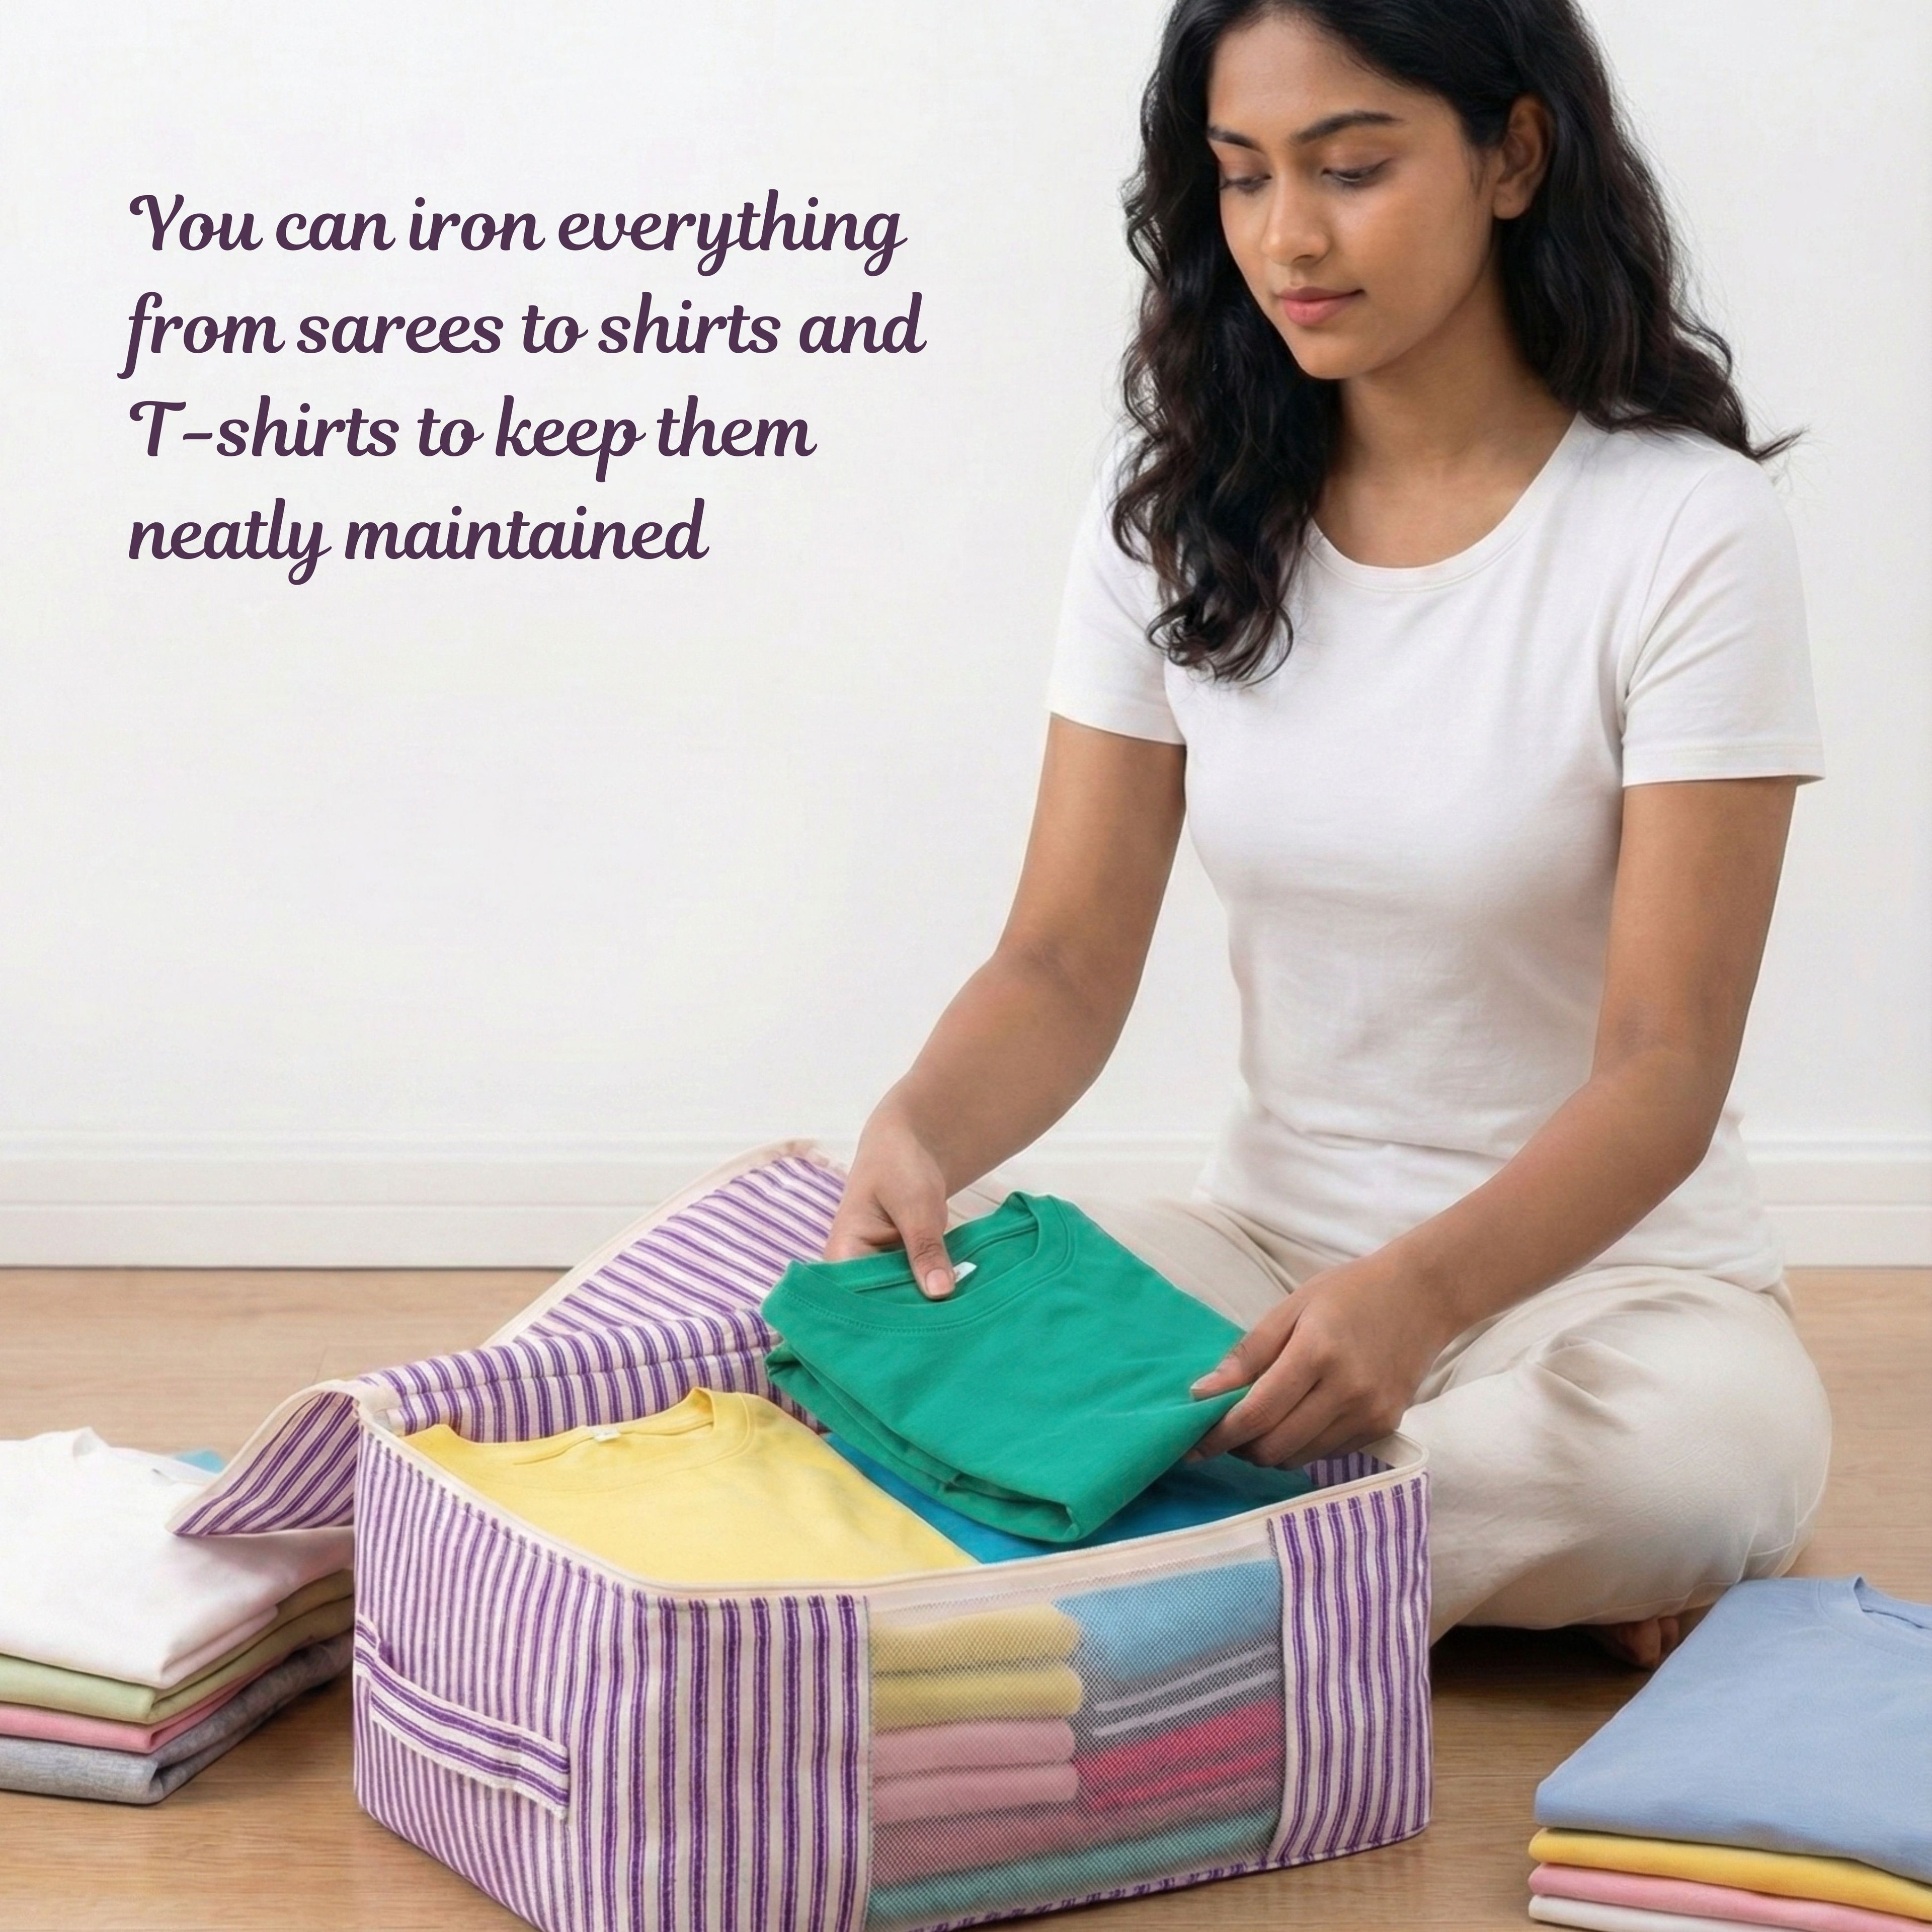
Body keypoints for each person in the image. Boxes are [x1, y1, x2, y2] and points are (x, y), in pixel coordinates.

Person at [823, 0, 1832, 1667]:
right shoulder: (1176, 506)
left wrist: (1427, 1300)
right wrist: (926, 1125)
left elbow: (1664, 1066)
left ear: (1514, 155)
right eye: (1241, 177)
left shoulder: (1684, 532)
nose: (1287, 237)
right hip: (1263, 1261)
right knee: (895, 1324)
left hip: (1608, 1292)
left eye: (1352, 169)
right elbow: (1064, 959)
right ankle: (1382, 1564)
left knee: (1704, 1459)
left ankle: (1125, 1557)